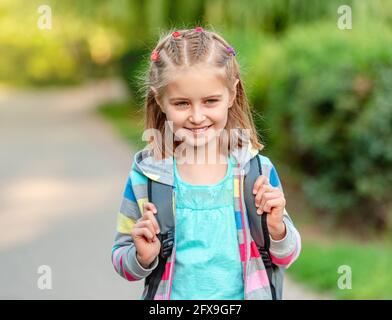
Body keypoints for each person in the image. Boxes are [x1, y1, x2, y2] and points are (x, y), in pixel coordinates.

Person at [111, 27, 301, 300]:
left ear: (232, 95)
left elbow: (287, 256)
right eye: (182, 104)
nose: (197, 116)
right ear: (160, 101)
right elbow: (121, 259)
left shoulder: (256, 172)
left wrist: (277, 229)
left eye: (211, 101)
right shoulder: (147, 178)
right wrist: (141, 256)